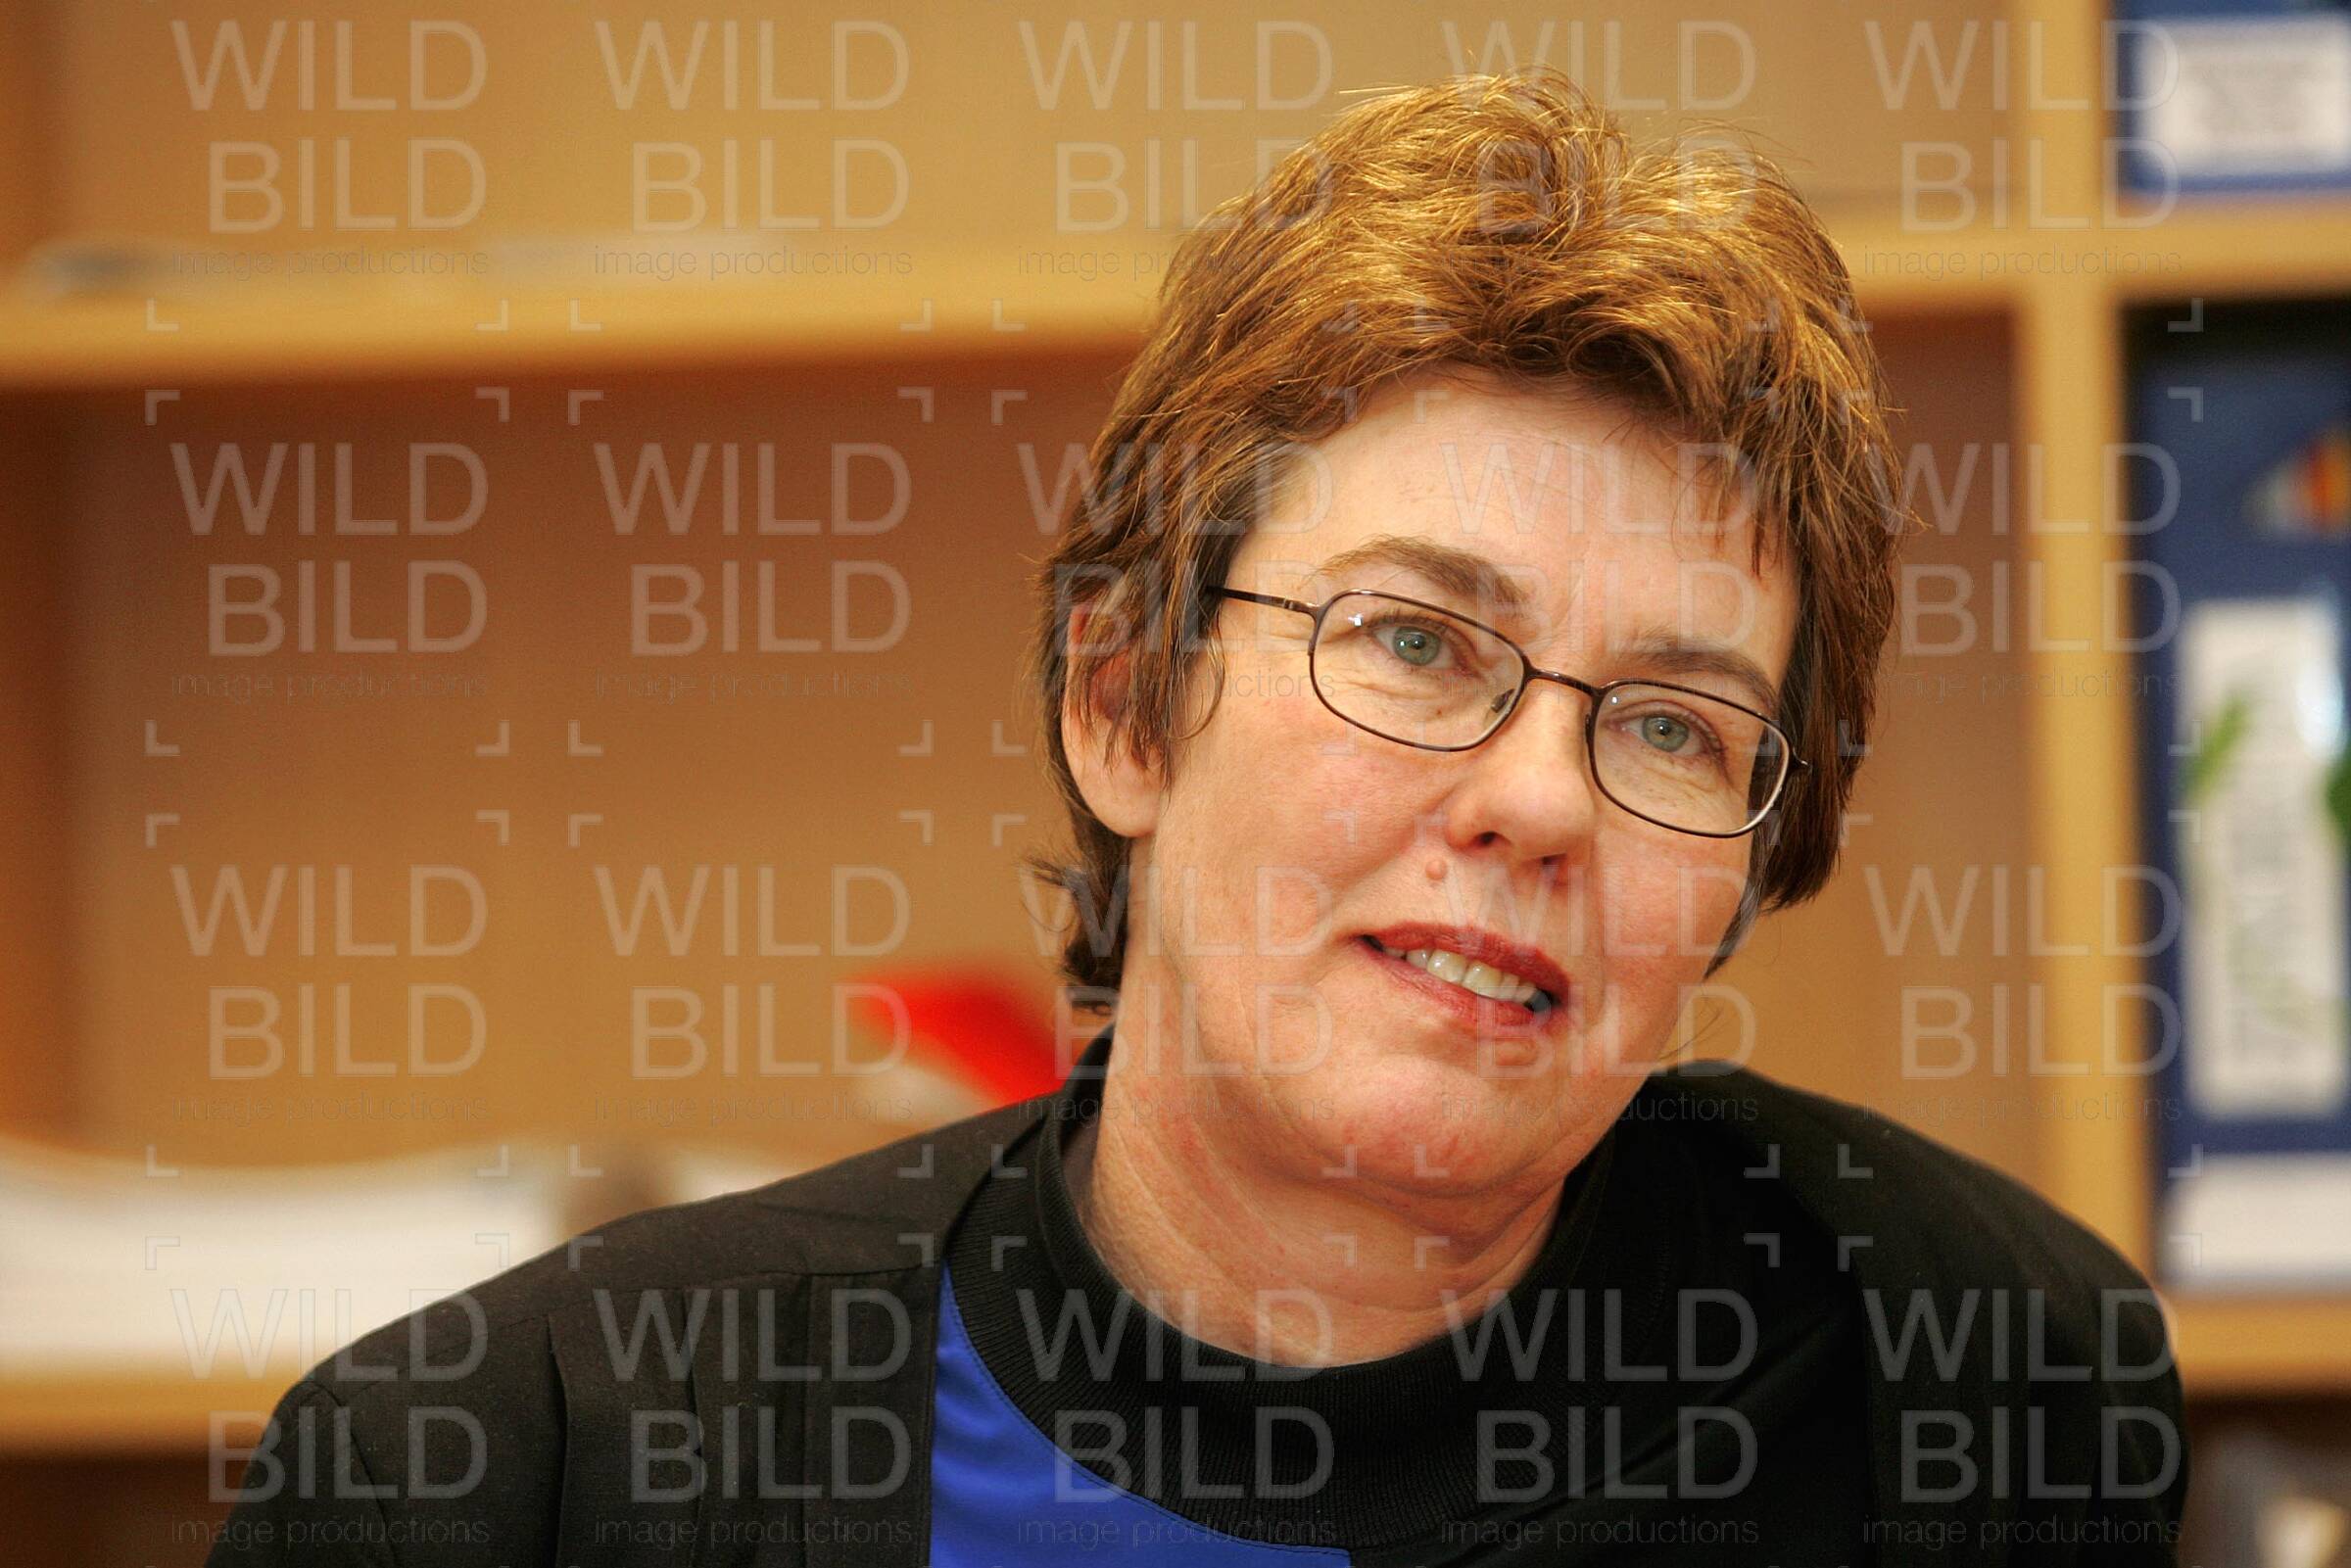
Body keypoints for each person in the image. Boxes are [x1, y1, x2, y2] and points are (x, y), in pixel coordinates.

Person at [209, 68, 2186, 1566]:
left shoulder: (1973, 1376)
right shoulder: (522, 1468)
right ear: (1123, 706)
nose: (1534, 799)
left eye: (1674, 727)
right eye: (1414, 640)